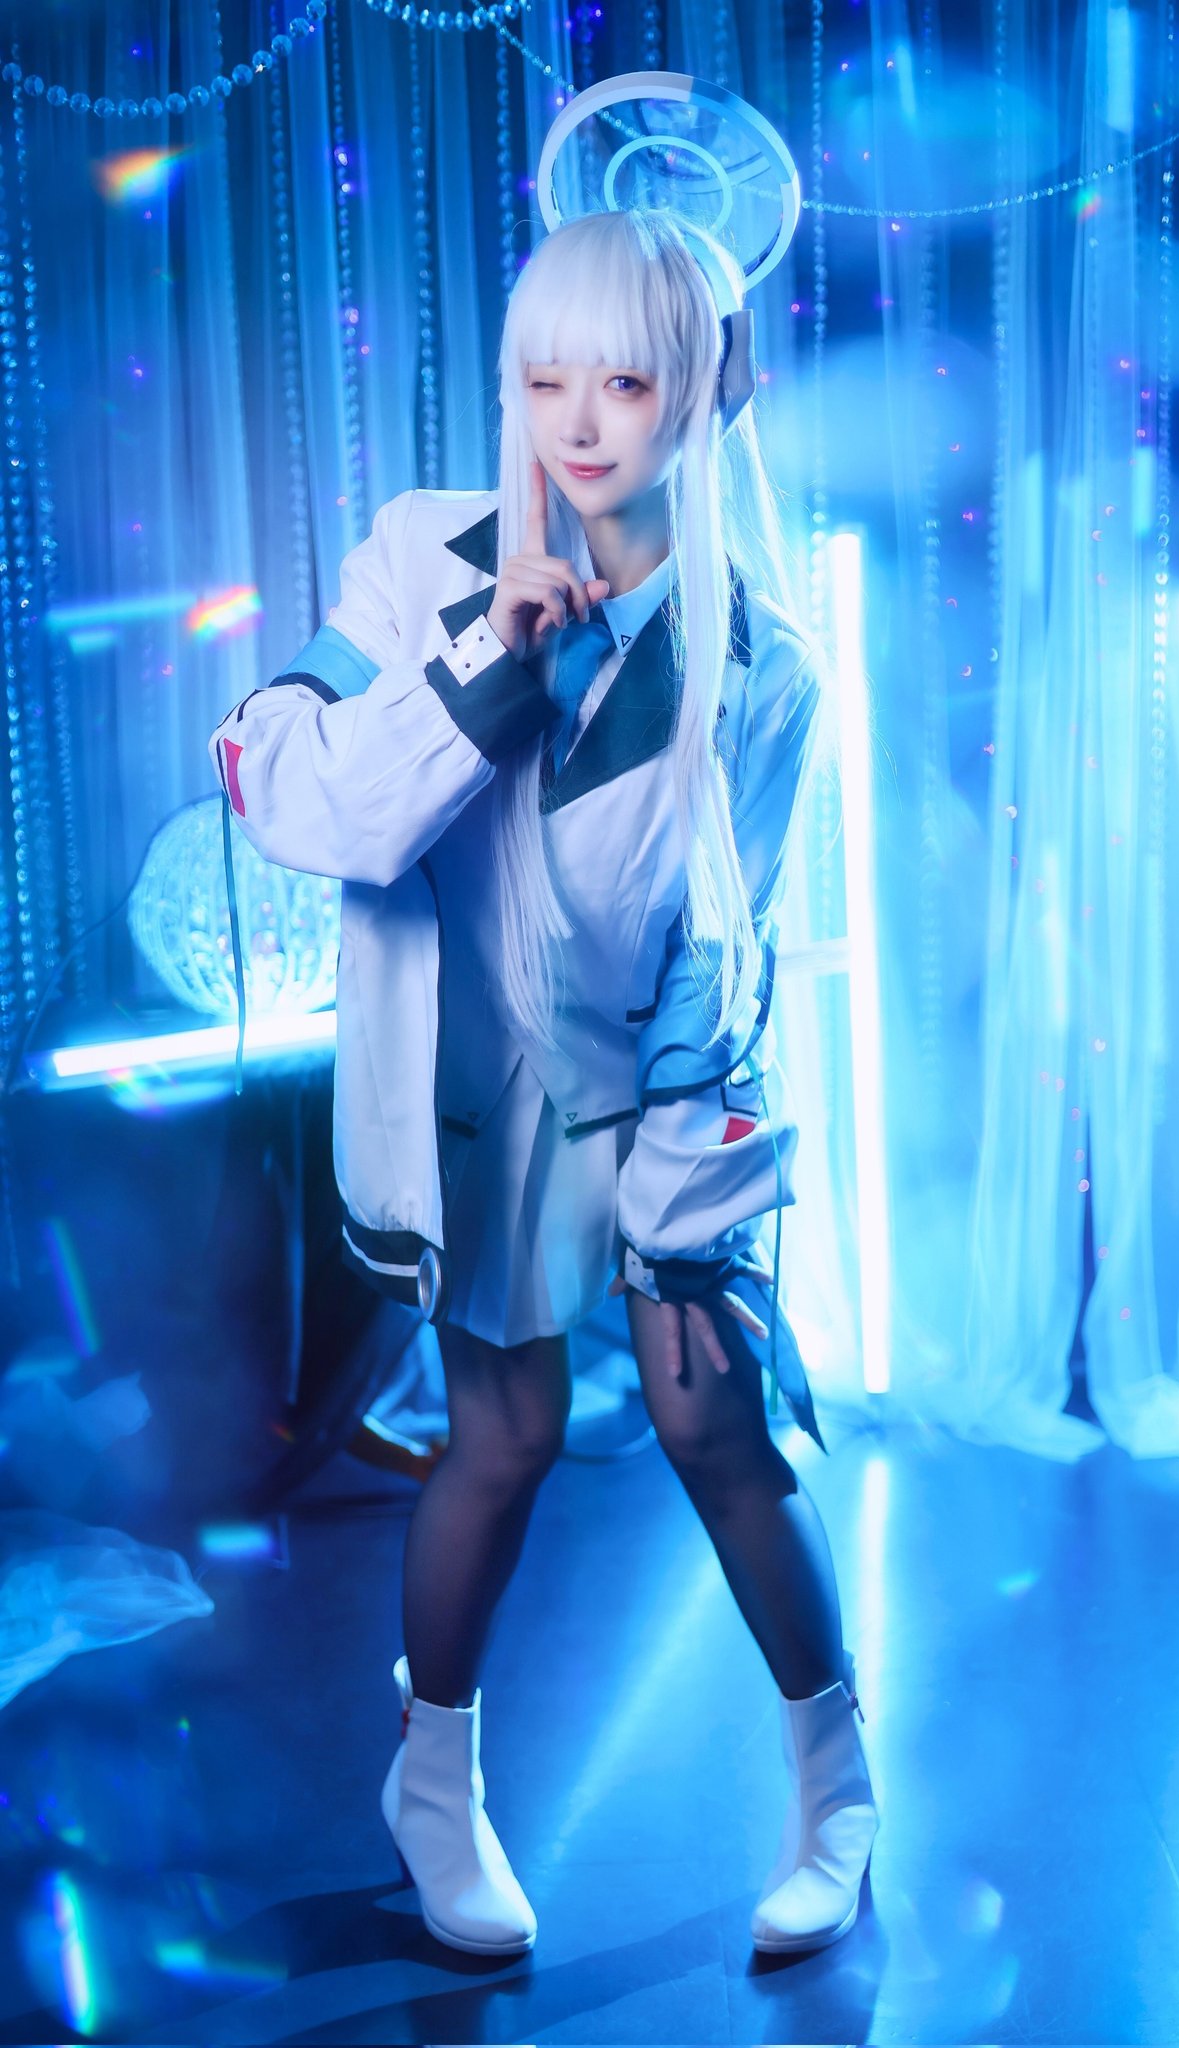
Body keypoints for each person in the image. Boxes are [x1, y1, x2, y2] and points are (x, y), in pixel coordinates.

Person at [208, 204, 879, 1962]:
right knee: (496, 1439)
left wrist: (680, 1192)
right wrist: (483, 667)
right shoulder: (421, 558)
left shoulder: (762, 666)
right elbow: (300, 802)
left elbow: (722, 941)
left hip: (654, 1081)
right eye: (544, 378)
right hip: (471, 1095)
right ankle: (431, 1794)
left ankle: (838, 1797)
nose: (577, 422)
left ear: (712, 390)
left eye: (627, 381)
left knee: (710, 1421)